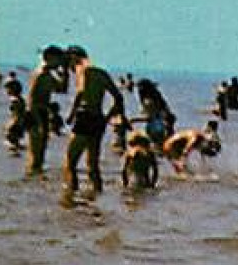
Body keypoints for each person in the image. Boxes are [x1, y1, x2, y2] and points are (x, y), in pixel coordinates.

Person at [62, 46, 126, 196]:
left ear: (73, 57)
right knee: (93, 165)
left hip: (84, 117)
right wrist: (107, 118)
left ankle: (70, 197)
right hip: (98, 119)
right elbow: (118, 97)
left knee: (70, 163)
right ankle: (96, 199)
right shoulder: (101, 72)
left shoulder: (82, 68)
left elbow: (81, 91)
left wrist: (71, 114)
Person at [25, 45, 68, 175]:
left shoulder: (48, 74)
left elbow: (61, 89)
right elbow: (31, 99)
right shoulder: (40, 74)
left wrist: (65, 72)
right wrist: (36, 119)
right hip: (35, 113)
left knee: (41, 150)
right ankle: (32, 178)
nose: (60, 63)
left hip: (43, 113)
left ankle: (36, 180)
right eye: (58, 60)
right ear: (49, 58)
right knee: (36, 150)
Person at [135, 79, 176, 148]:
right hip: (159, 125)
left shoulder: (149, 101)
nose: (138, 90)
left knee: (157, 147)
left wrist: (134, 120)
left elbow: (151, 117)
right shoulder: (155, 98)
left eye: (139, 88)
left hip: (157, 126)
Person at [3, 77, 28, 153]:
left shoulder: (14, 100)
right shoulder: (21, 99)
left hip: (16, 124)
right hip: (21, 123)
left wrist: (10, 125)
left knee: (11, 142)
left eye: (7, 88)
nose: (6, 91)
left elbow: (16, 114)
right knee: (16, 142)